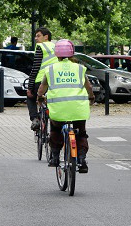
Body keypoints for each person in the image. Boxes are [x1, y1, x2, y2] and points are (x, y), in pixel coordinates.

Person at [37, 39, 94, 173]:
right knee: (81, 133)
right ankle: (81, 159)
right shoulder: (79, 68)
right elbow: (88, 87)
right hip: (78, 109)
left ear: (57, 54)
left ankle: (55, 157)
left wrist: (40, 97)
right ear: (72, 53)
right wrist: (91, 97)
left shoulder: (51, 69)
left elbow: (42, 87)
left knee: (56, 130)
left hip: (58, 109)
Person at [27, 27, 58, 131]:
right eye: (35, 36)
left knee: (31, 97)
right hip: (55, 81)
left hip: (41, 80)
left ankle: (35, 119)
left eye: (38, 36)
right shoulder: (56, 46)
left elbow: (36, 67)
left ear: (46, 37)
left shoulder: (40, 46)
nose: (36, 38)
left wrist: (29, 87)